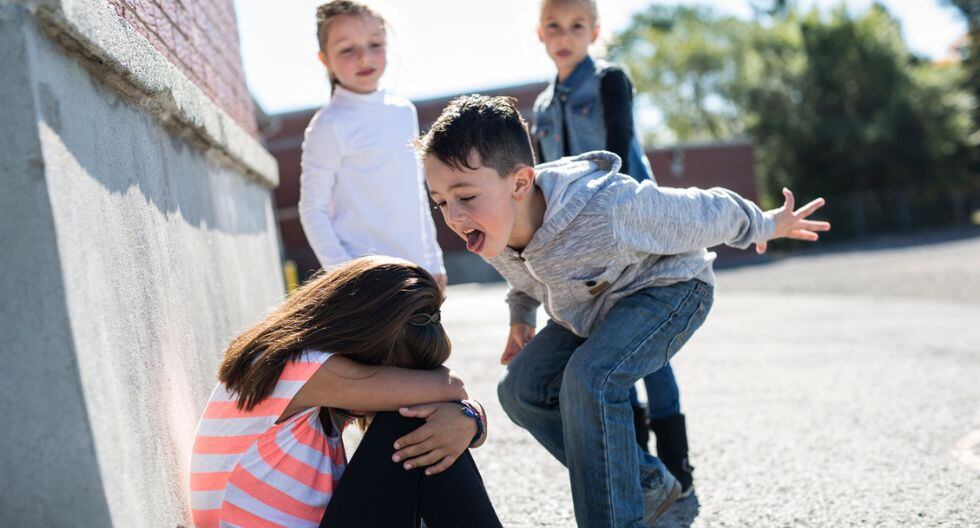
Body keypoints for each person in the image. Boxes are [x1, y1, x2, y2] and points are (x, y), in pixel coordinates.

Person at [416, 95, 830, 527]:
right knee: (520, 390)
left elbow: (705, 210)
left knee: (590, 379)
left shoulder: (608, 207)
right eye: (440, 202)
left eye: (465, 196)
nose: (454, 216)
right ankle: (644, 481)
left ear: (520, 183)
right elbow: (524, 275)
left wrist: (766, 224)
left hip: (669, 290)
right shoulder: (492, 226)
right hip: (592, 307)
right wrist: (521, 316)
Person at [189, 256, 502, 527]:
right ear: (363, 340)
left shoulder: (309, 378)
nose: (394, 386)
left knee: (429, 425)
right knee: (412, 419)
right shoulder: (298, 367)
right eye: (394, 373)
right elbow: (452, 387)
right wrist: (467, 414)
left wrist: (468, 418)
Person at [531, 0, 691, 489]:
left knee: (648, 349)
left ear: (594, 32)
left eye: (576, 26)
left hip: (632, 229)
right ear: (540, 34)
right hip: (580, 244)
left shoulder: (609, 81)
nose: (565, 36)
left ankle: (677, 465)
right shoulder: (541, 107)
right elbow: (545, 179)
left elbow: (620, 148)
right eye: (554, 26)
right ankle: (642, 469)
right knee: (608, 348)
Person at [299, 1, 446, 289]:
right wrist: (346, 276)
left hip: (417, 273)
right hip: (367, 283)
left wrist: (434, 261)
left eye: (375, 44)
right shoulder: (329, 125)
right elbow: (312, 209)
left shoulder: (404, 111)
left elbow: (416, 194)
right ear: (325, 59)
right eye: (347, 49)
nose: (364, 57)